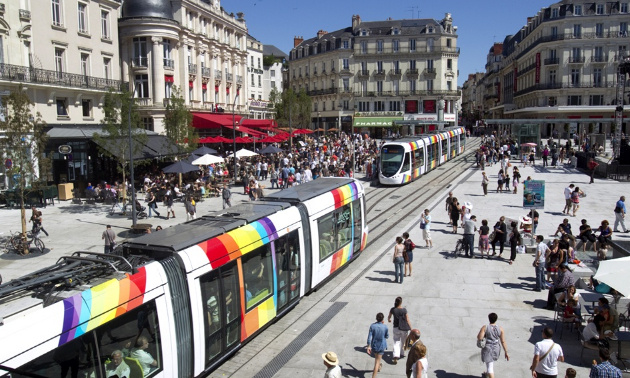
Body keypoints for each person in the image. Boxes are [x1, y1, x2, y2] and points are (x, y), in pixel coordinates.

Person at [477, 313, 509, 378]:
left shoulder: (485, 327)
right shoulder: (500, 328)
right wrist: (506, 352)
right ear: (496, 319)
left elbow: (479, 337)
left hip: (488, 348)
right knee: (490, 363)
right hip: (496, 347)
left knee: (490, 366)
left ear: (489, 319)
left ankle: (490, 374)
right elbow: (503, 341)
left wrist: (484, 335)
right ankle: (487, 374)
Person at [388, 297, 412, 364]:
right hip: (403, 328)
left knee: (396, 341)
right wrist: (411, 328)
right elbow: (407, 320)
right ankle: (402, 353)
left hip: (396, 328)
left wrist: (389, 319)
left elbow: (389, 316)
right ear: (401, 303)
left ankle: (396, 355)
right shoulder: (404, 310)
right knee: (403, 341)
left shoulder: (393, 309)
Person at [366, 312, 389, 378]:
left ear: (376, 318)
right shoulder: (385, 327)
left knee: (377, 358)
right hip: (381, 346)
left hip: (374, 345)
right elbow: (387, 336)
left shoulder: (372, 326)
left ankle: (378, 367)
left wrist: (368, 346)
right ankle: (374, 375)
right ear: (382, 319)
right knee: (377, 362)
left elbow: (369, 337)